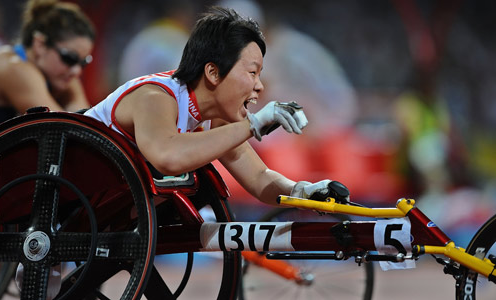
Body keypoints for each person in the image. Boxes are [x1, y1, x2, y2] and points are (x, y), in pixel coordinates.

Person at [85, 6, 343, 207]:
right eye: (252, 73)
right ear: (213, 73)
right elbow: (168, 157)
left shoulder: (214, 117)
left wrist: (302, 191)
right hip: (70, 191)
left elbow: (259, 178)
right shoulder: (155, 97)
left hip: (105, 200)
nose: (260, 87)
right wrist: (252, 125)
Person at [0, 0, 95, 124]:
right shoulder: (14, 68)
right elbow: (67, 129)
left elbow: (88, 127)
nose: (76, 71)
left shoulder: (63, 76)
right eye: (69, 58)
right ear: (40, 45)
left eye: (83, 62)